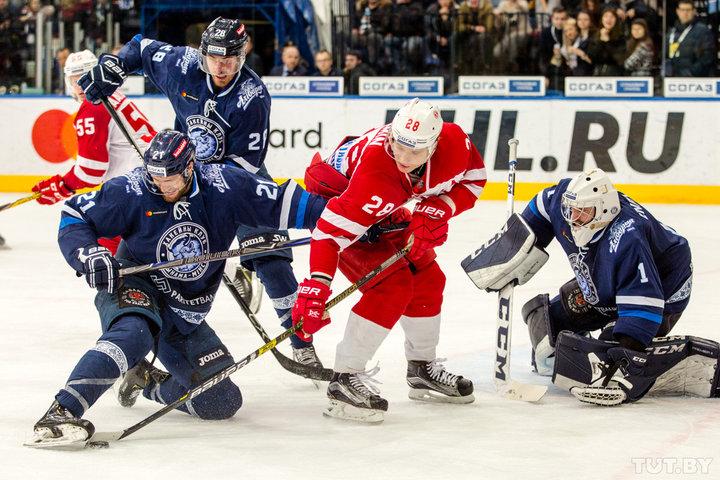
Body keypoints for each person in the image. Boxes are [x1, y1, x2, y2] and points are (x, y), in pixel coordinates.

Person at [28, 130, 326, 447]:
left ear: (189, 167)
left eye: (170, 178)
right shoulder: (132, 189)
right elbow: (75, 215)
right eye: (155, 177)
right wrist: (88, 254)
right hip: (135, 282)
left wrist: (349, 218)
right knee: (135, 332)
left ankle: (144, 382)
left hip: (184, 311)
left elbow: (288, 203)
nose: (162, 186)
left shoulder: (225, 185)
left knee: (221, 402)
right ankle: (61, 412)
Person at [78, 17, 324, 369]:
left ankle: (300, 339)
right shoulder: (182, 64)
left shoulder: (251, 97)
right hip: (179, 174)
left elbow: (244, 171)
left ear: (244, 54)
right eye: (213, 58)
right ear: (202, 53)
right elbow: (140, 48)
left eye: (229, 59)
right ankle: (138, 323)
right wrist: (114, 64)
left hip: (233, 180)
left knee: (272, 257)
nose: (220, 67)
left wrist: (209, 211)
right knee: (161, 245)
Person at [291, 98, 487, 422]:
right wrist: (316, 284)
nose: (404, 157)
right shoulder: (377, 173)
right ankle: (344, 379)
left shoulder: (453, 143)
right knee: (391, 288)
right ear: (392, 135)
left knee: (428, 278)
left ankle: (422, 368)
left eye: (416, 151)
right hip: (334, 196)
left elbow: (475, 179)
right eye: (399, 145)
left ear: (435, 146)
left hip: (384, 208)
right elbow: (328, 234)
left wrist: (441, 208)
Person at [464, 169, 719, 407]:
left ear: (604, 210)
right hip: (606, 278)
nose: (573, 219)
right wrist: (512, 249)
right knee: (542, 321)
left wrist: (625, 354)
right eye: (570, 211)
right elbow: (540, 211)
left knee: (608, 355)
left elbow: (644, 305)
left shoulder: (628, 238)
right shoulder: (562, 201)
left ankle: (668, 362)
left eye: (582, 213)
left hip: (663, 285)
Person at [31, 49, 157, 254]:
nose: (79, 85)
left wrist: (62, 186)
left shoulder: (93, 105)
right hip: (152, 182)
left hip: (132, 190)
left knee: (93, 229)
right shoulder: (112, 95)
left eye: (84, 77)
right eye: (74, 79)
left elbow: (92, 171)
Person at [665, 0, 716, 77]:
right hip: (673, 79)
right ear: (677, 11)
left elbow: (707, 57)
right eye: (682, 10)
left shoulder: (703, 30)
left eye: (688, 10)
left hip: (695, 79)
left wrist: (690, 73)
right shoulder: (671, 32)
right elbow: (665, 55)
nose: (685, 13)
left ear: (694, 11)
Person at [586, 8, 625, 76]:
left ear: (616, 20)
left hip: (614, 74)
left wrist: (607, 41)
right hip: (597, 73)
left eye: (612, 17)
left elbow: (618, 58)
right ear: (602, 19)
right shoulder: (595, 35)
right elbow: (591, 56)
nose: (609, 19)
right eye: (606, 16)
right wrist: (600, 41)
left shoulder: (621, 37)